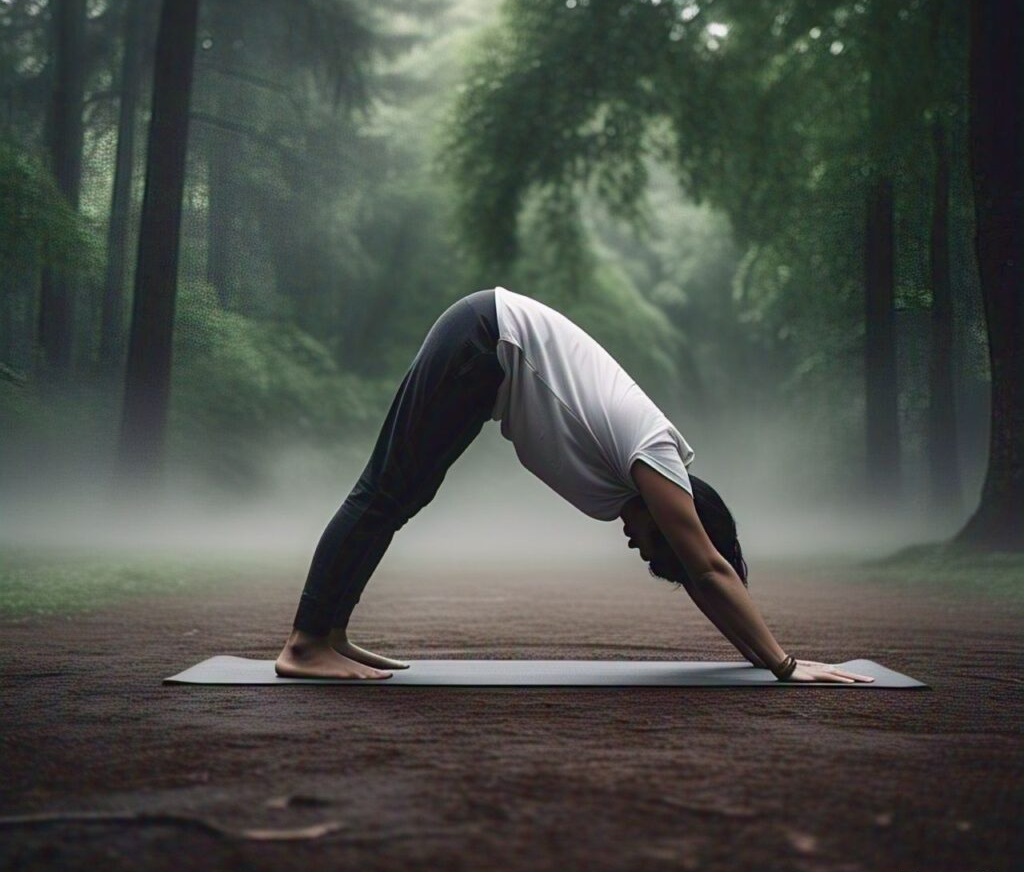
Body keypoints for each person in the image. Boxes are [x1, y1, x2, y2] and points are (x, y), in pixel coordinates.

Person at [276, 287, 873, 685]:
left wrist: (754, 655)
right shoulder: (654, 456)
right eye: (652, 546)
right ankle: (306, 645)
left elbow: (701, 573)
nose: (637, 548)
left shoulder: (638, 471)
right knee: (386, 492)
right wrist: (785, 666)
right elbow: (708, 568)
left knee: (400, 495)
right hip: (486, 338)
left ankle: (331, 633)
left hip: (485, 347)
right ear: (673, 520)